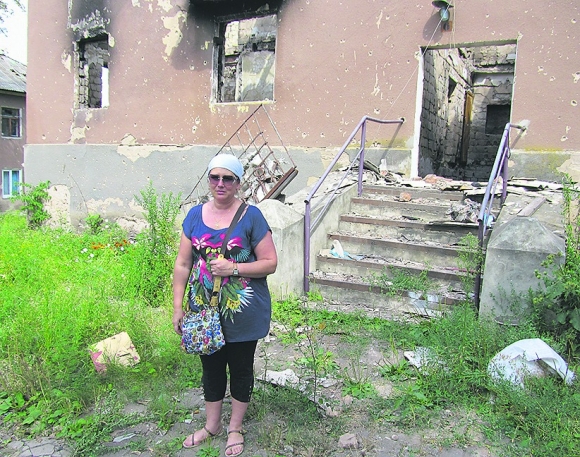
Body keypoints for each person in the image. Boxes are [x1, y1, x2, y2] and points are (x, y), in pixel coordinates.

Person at [172, 154, 278, 457]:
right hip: (203, 311)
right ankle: (212, 425)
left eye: (227, 178)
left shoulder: (252, 216)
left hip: (243, 311)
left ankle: (235, 428)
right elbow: (182, 264)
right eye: (215, 177)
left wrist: (233, 268)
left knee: (241, 369)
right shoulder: (194, 216)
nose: (220, 183)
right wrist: (178, 307)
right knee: (211, 368)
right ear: (209, 180)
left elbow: (270, 262)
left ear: (238, 183)